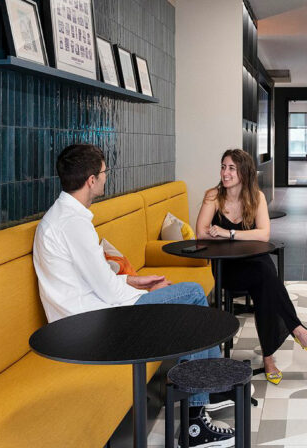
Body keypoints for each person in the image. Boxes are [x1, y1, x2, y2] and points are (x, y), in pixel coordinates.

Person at [33, 144, 234, 448]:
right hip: (90, 325)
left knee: (186, 298)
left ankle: (208, 388)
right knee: (192, 294)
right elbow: (106, 291)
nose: (105, 178)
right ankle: (195, 422)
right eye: (103, 173)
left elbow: (95, 280)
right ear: (90, 180)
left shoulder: (62, 217)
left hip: (93, 310)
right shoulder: (72, 224)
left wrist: (136, 281)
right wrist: (145, 289)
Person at [196, 149, 307, 385]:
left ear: (244, 173)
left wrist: (228, 233)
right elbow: (201, 234)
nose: (225, 173)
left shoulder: (255, 198)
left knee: (265, 280)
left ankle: (270, 356)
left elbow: (264, 235)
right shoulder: (213, 196)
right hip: (227, 269)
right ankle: (295, 332)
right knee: (267, 275)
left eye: (231, 168)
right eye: (223, 167)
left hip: (254, 264)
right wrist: (241, 236)